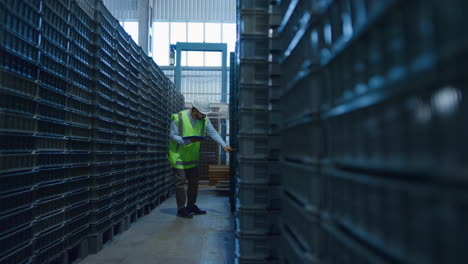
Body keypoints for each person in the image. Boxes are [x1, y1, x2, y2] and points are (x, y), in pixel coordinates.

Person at [168, 96, 233, 218]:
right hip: (179, 157)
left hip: (192, 157)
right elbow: (172, 135)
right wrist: (184, 141)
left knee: (194, 182)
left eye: (205, 114)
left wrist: (224, 145)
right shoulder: (179, 118)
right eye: (202, 113)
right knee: (181, 182)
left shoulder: (204, 120)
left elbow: (213, 132)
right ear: (194, 109)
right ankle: (181, 209)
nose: (204, 116)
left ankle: (191, 206)